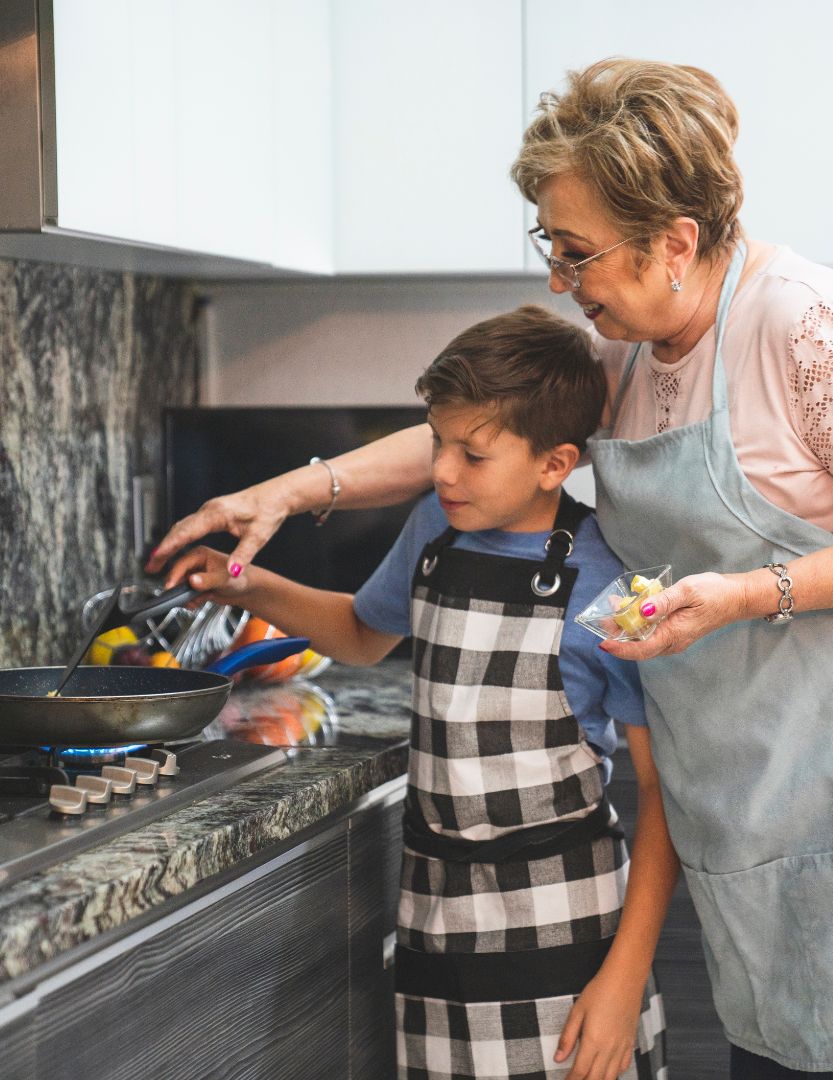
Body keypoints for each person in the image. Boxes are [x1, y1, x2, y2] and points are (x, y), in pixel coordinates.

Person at [152, 59, 833, 1078]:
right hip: (763, 750)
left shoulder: (807, 329)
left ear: (674, 244)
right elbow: (480, 437)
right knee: (783, 1051)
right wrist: (295, 492)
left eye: (575, 252)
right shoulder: (625, 351)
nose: (558, 282)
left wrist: (745, 594)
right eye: (550, 248)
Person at [167, 304, 673, 1080]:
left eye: (473, 453)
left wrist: (623, 978)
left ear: (553, 462)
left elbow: (663, 795)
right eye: (437, 441)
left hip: (569, 933)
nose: (441, 470)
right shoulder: (431, 536)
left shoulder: (606, 581)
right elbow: (362, 634)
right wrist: (247, 585)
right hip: (436, 922)